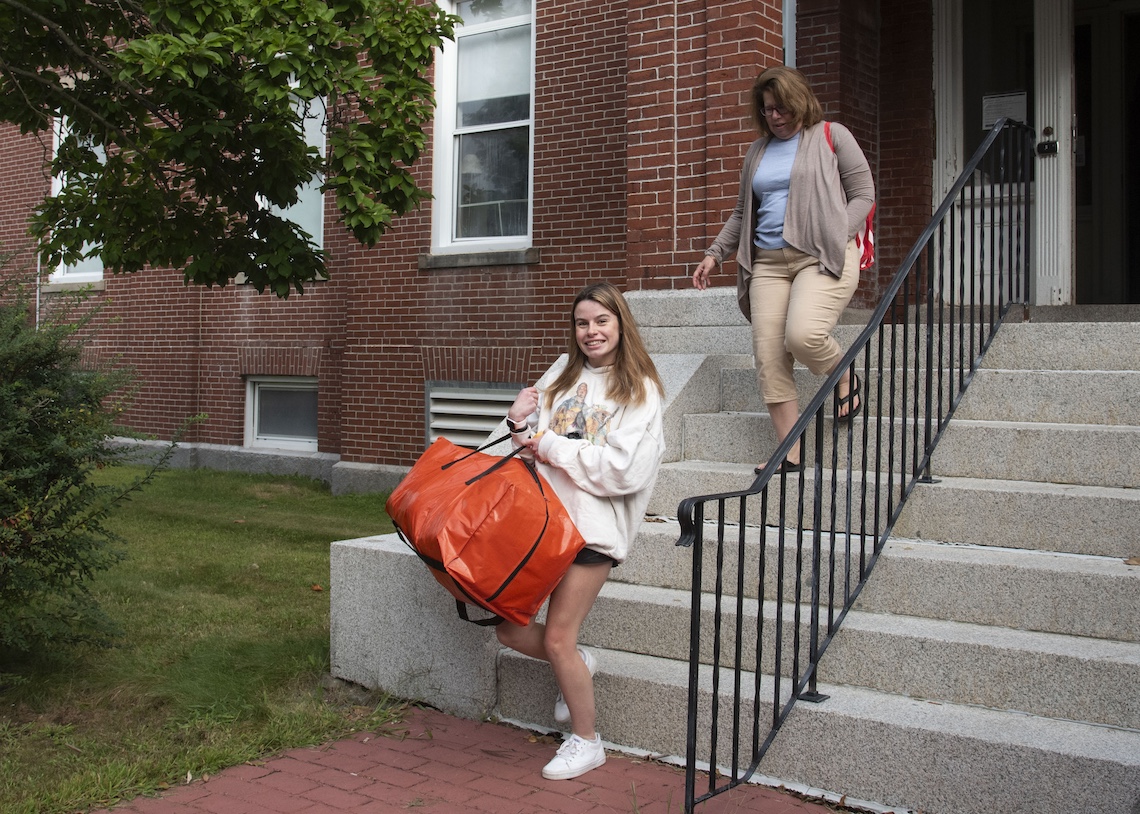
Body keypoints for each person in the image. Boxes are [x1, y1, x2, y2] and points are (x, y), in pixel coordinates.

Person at [500, 282, 666, 781]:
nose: (591, 331)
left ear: (620, 324)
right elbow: (529, 442)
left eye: (601, 321)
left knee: (556, 639)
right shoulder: (562, 376)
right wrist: (515, 421)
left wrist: (550, 445)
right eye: (582, 323)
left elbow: (622, 471)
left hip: (593, 531)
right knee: (507, 628)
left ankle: (587, 741)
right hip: (542, 522)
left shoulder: (639, 390)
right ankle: (580, 660)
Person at [692, 65, 874, 474]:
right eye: (768, 109)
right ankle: (788, 450)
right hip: (768, 265)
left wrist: (835, 231)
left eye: (783, 108)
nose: (776, 116)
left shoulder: (831, 136)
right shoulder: (757, 151)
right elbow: (743, 212)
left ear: (801, 102)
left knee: (804, 336)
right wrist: (714, 253)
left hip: (820, 255)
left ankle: (843, 373)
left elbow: (864, 194)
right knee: (769, 355)